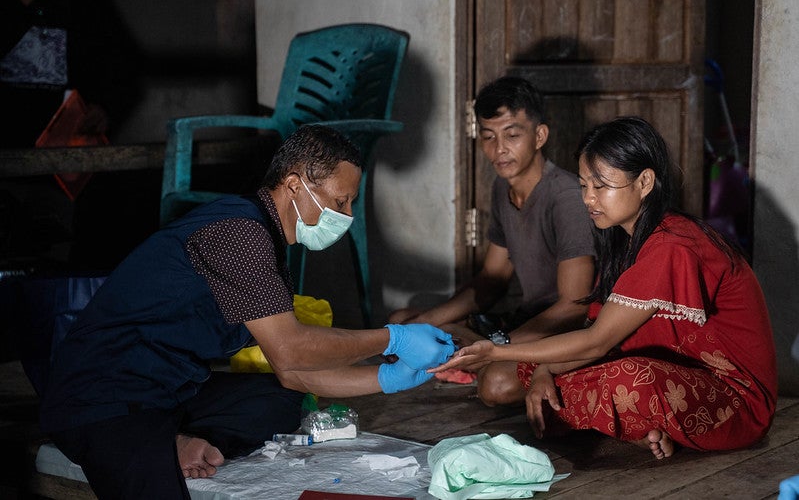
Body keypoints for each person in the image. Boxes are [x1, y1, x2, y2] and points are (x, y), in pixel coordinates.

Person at [38, 125, 456, 499]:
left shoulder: (266, 242)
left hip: (166, 392)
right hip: (105, 400)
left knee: (278, 400)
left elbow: (290, 372)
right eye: (341, 202)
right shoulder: (239, 234)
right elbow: (293, 351)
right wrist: (394, 338)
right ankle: (164, 443)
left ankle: (177, 438)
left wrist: (387, 378)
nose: (346, 216)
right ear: (295, 184)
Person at [431, 116, 778, 460]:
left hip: (732, 399)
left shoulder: (674, 243)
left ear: (644, 182)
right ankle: (642, 430)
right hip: (665, 369)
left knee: (629, 381)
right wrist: (544, 370)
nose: (589, 199)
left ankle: (640, 427)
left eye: (601, 186)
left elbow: (598, 341)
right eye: (583, 185)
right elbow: (595, 332)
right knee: (500, 381)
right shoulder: (625, 240)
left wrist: (496, 350)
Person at [389, 76, 596, 406]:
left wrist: (499, 346)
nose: (499, 148)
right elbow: (493, 279)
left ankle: (484, 362)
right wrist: (427, 320)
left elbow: (574, 306)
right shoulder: (503, 188)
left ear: (539, 136)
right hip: (522, 322)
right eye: (488, 136)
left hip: (563, 333)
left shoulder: (567, 198)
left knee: (496, 385)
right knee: (402, 322)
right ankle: (478, 358)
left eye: (512, 135)